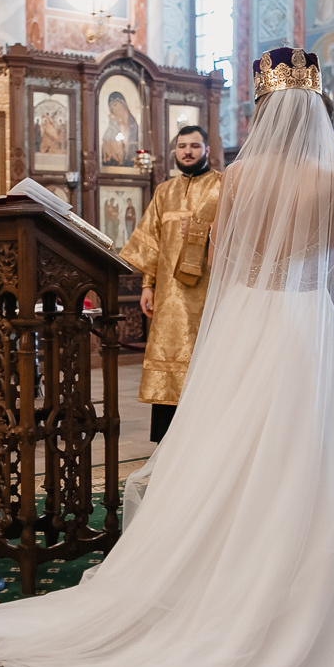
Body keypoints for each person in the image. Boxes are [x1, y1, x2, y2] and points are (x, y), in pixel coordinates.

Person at [0, 47, 334, 667]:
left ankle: (224, 583)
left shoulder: (237, 180)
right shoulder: (332, 183)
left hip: (250, 322)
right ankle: (309, 602)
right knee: (312, 456)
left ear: (264, 108)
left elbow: (229, 265)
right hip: (307, 328)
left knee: (233, 454)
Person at [118, 125, 224, 441]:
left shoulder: (224, 186)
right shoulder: (165, 191)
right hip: (168, 299)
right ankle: (167, 441)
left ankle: (207, 436)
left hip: (209, 295)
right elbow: (153, 243)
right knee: (169, 362)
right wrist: (148, 286)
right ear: (174, 152)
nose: (187, 152)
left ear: (207, 150)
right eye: (181, 146)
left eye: (194, 145)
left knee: (207, 363)